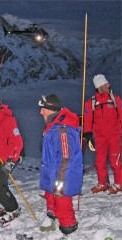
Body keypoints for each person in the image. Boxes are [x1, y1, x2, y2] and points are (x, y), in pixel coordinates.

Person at [38, 94, 83, 235]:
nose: (40, 112)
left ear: (50, 110)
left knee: (62, 203)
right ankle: (54, 220)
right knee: (51, 197)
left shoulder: (62, 129)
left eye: (42, 109)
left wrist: (60, 182)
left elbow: (65, 158)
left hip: (62, 175)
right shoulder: (53, 127)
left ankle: (69, 229)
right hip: (53, 172)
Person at [83, 74, 122, 194]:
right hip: (100, 137)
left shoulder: (115, 99)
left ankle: (119, 183)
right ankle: (103, 183)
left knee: (115, 160)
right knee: (100, 161)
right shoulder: (91, 103)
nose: (109, 85)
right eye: (106, 84)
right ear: (100, 87)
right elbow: (88, 119)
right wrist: (88, 133)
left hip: (114, 135)